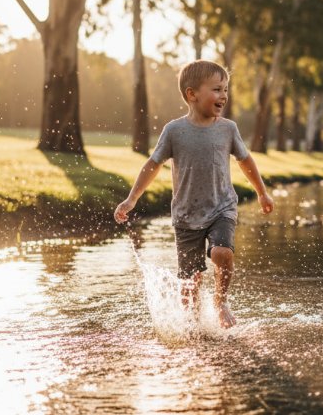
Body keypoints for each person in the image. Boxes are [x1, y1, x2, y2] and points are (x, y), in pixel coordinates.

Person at [115, 60, 274, 329]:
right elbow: (153, 165)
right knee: (190, 283)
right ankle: (193, 329)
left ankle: (221, 301)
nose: (224, 95)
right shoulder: (174, 131)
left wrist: (262, 193)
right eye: (216, 89)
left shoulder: (228, 129)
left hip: (221, 208)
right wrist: (132, 199)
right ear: (192, 94)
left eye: (225, 89)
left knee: (222, 252)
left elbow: (246, 161)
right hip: (186, 215)